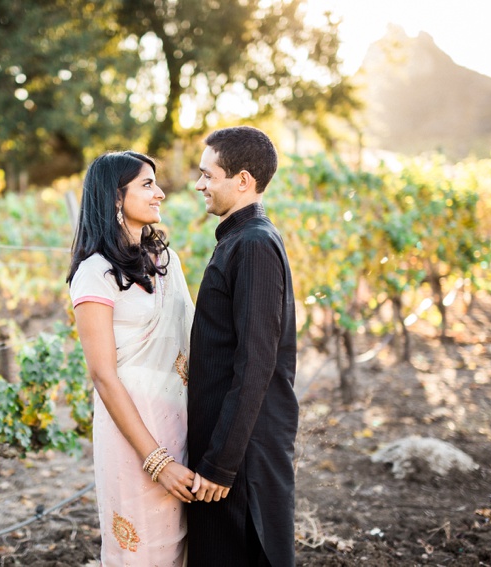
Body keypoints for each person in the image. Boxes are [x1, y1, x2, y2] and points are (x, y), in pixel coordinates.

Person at [67, 151, 196, 566]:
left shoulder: (166, 262)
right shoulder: (95, 273)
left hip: (181, 420)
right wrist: (156, 460)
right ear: (115, 198)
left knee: (183, 546)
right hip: (132, 434)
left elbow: (192, 338)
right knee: (141, 550)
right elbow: (104, 377)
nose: (159, 193)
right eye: (146, 184)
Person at [187, 126, 299, 566]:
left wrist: (221, 464)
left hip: (240, 457)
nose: (199, 185)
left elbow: (256, 363)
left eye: (207, 175)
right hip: (230, 446)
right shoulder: (241, 240)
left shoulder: (252, 245)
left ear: (243, 180)